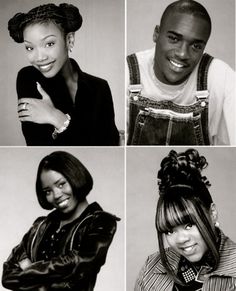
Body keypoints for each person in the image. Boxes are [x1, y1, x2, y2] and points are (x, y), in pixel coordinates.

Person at [2, 151, 120, 290]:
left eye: (61, 184)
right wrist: (49, 278)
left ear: (76, 177)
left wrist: (29, 268)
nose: (56, 195)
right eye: (47, 191)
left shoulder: (101, 223)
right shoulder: (40, 225)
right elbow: (7, 276)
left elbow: (78, 263)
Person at [8, 3, 119, 146]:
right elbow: (38, 144)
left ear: (69, 40)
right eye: (30, 48)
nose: (39, 57)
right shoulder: (28, 78)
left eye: (49, 44)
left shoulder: (99, 87)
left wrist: (56, 117)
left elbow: (110, 144)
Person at [127, 0, 235, 145]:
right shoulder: (128, 73)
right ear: (156, 34)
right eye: (174, 38)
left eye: (196, 46)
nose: (183, 54)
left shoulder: (222, 78)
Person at [135, 149, 236, 290]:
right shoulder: (151, 268)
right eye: (170, 231)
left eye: (189, 225)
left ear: (212, 213)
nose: (181, 239)